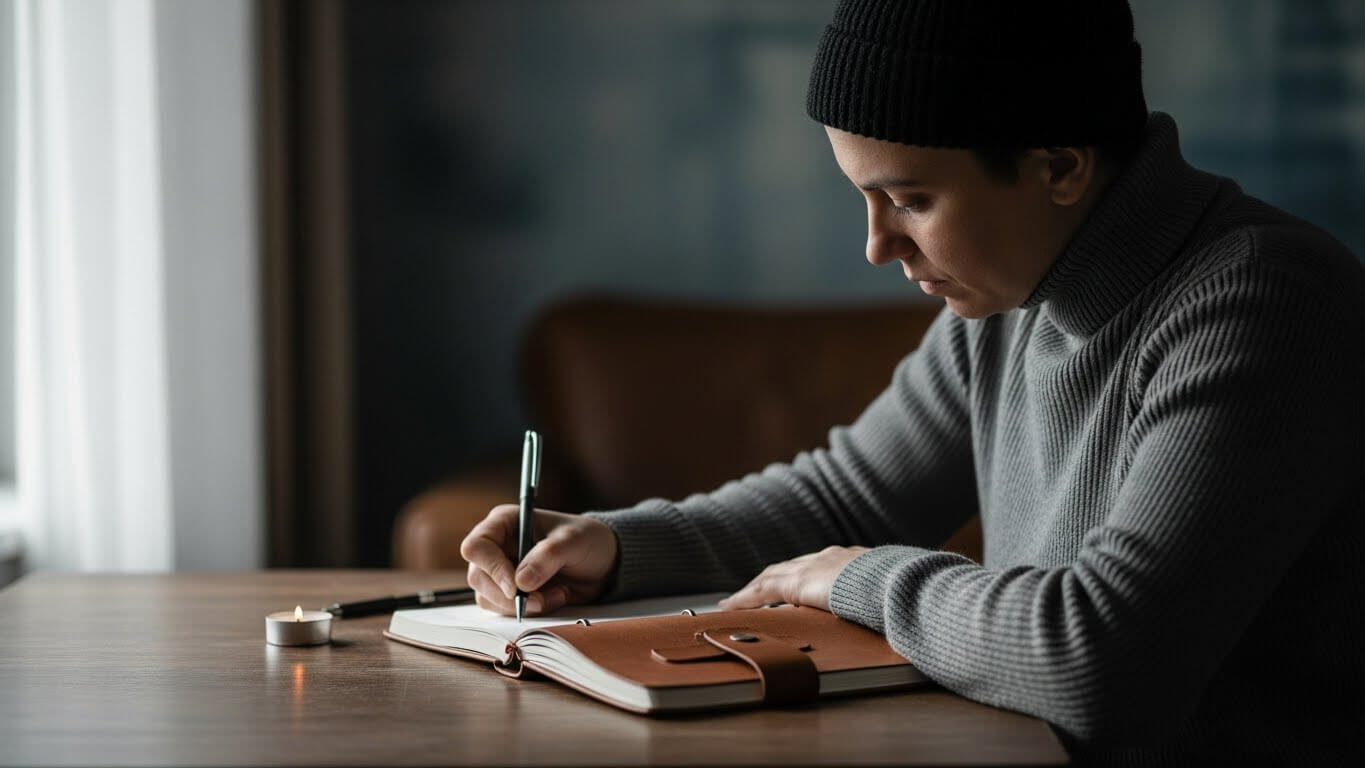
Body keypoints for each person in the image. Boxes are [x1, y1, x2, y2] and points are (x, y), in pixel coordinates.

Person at [460, 1, 1364, 764]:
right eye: (863, 197)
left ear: (1057, 165)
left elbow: (1099, 658)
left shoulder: (1265, 301)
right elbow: (848, 496)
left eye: (911, 199)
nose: (877, 246)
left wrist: (859, 581)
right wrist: (614, 548)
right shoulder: (1013, 294)